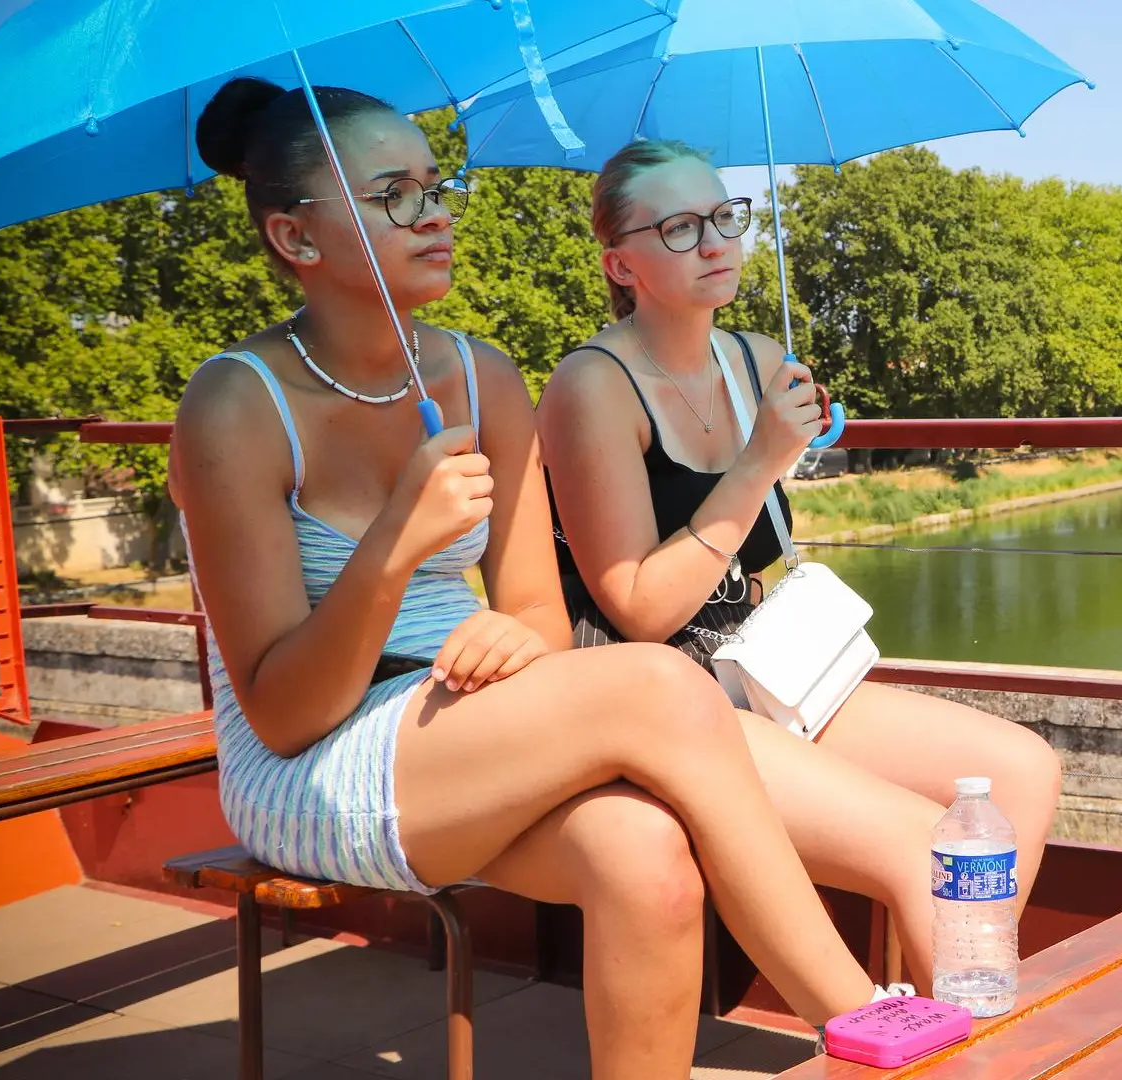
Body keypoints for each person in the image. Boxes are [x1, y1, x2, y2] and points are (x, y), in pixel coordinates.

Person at [171, 79, 891, 1079]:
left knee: (645, 856)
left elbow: (541, 624)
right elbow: (283, 715)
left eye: (435, 185)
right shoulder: (235, 405)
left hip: (466, 712)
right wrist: (393, 543)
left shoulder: (484, 378)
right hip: (314, 765)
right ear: (297, 239)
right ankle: (859, 1020)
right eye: (394, 196)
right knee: (655, 678)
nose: (435, 213)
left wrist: (519, 641)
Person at [537, 139, 1065, 992]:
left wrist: (791, 452)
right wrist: (755, 465)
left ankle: (958, 998)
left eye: (724, 216)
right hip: (660, 697)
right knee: (927, 839)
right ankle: (977, 1034)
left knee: (1022, 771)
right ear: (619, 263)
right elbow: (637, 608)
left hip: (761, 670)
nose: (715, 242)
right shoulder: (591, 386)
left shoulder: (754, 359)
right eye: (678, 227)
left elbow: (761, 559)